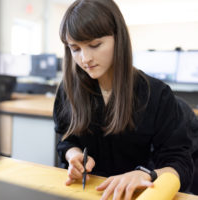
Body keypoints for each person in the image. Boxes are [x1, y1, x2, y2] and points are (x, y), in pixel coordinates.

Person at [53, 0, 195, 199]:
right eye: (75, 49)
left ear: (118, 39)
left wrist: (146, 175)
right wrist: (74, 156)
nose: (85, 58)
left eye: (95, 45)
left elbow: (180, 165)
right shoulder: (68, 90)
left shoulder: (156, 94)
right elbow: (66, 140)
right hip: (87, 192)